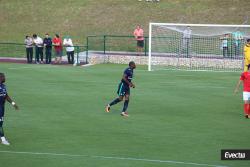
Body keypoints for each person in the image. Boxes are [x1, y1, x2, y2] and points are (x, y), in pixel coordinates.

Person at [0, 73, 19, 145]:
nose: (5, 78)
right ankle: (3, 139)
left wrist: (13, 104)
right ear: (0, 78)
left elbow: (6, 96)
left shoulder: (3, 86)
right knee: (0, 124)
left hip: (2, 107)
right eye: (3, 77)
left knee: (1, 123)